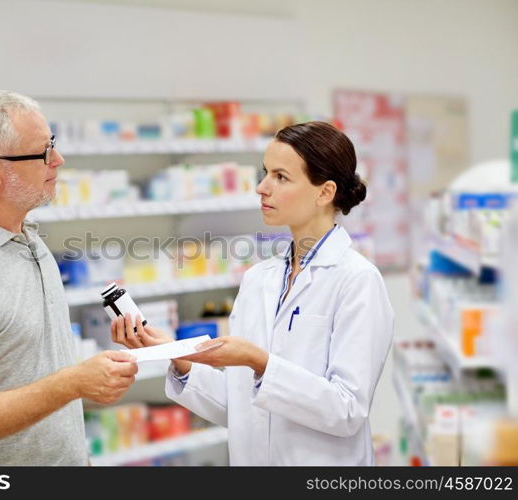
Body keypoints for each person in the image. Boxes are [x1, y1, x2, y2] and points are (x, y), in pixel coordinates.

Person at [112, 121, 394, 465]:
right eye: (265, 173)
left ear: (324, 192)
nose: (262, 187)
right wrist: (178, 357)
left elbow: (347, 410)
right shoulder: (260, 279)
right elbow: (242, 408)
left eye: (281, 177)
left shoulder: (357, 280)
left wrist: (259, 362)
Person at [0, 91, 138, 466]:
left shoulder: (26, 237)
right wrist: (72, 384)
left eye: (53, 145)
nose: (58, 160)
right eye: (42, 152)